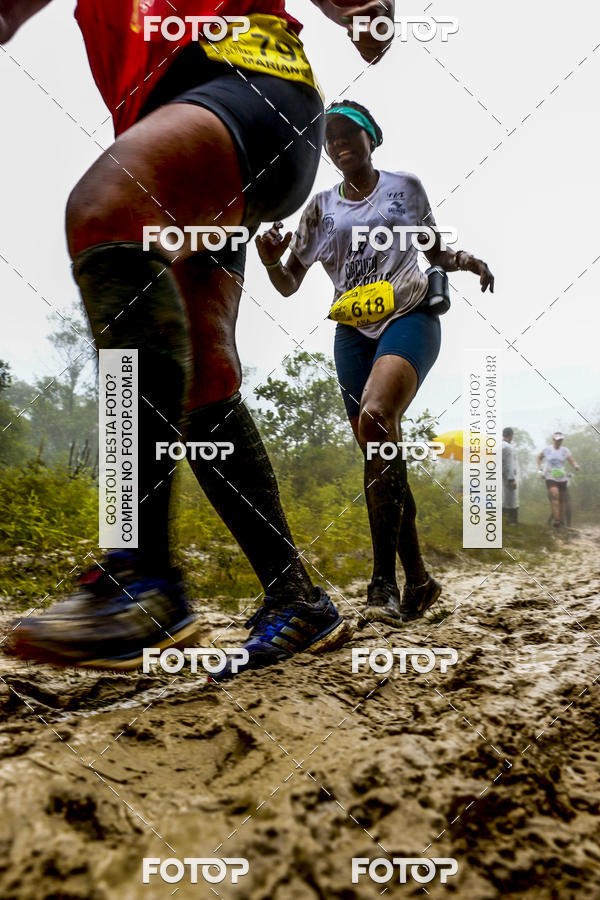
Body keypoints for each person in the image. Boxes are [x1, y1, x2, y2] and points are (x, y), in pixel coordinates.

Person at [1, 0, 392, 674]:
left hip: (248, 84)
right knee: (207, 374)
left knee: (105, 212)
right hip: (182, 136)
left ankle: (140, 579)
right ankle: (296, 598)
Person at [256, 100, 495, 625]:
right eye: (330, 138)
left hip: (409, 317)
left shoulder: (403, 188)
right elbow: (289, 283)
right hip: (352, 334)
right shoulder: (319, 209)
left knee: (376, 418)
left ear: (372, 138)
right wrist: (272, 259)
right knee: (379, 446)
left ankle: (382, 584)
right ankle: (420, 580)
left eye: (349, 134)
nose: (339, 144)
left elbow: (436, 252)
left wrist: (467, 260)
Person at [538, 432, 579, 528]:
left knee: (562, 501)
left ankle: (562, 522)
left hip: (562, 477)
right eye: (557, 440)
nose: (559, 441)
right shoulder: (547, 450)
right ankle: (556, 521)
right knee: (555, 495)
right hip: (550, 476)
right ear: (553, 440)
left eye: (560, 440)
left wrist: (575, 465)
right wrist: (540, 470)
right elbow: (539, 458)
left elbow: (571, 460)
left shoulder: (565, 450)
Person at [502, 427, 519, 525]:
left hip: (501, 476)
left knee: (504, 498)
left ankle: (505, 521)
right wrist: (511, 479)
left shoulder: (499, 446)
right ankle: (512, 521)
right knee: (511, 500)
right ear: (511, 435)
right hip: (508, 477)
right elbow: (510, 464)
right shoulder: (508, 448)